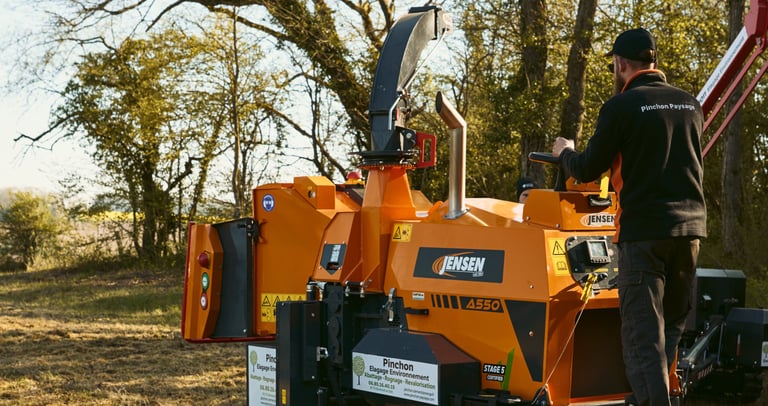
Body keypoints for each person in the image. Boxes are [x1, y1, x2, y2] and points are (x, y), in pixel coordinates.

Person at [551, 28, 706, 406]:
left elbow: (586, 169)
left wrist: (564, 152)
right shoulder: (691, 105)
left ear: (620, 64)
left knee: (642, 340)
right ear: (654, 61)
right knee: (669, 332)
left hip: (643, 234)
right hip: (689, 234)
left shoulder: (620, 107)